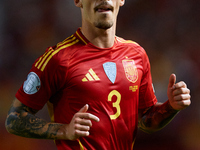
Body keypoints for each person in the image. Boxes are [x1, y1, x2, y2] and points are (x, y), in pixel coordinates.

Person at [5, 0, 191, 149]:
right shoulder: (58, 59)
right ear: (78, 1)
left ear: (121, 0)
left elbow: (146, 122)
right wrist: (64, 130)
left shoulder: (137, 55)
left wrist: (171, 107)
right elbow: (14, 119)